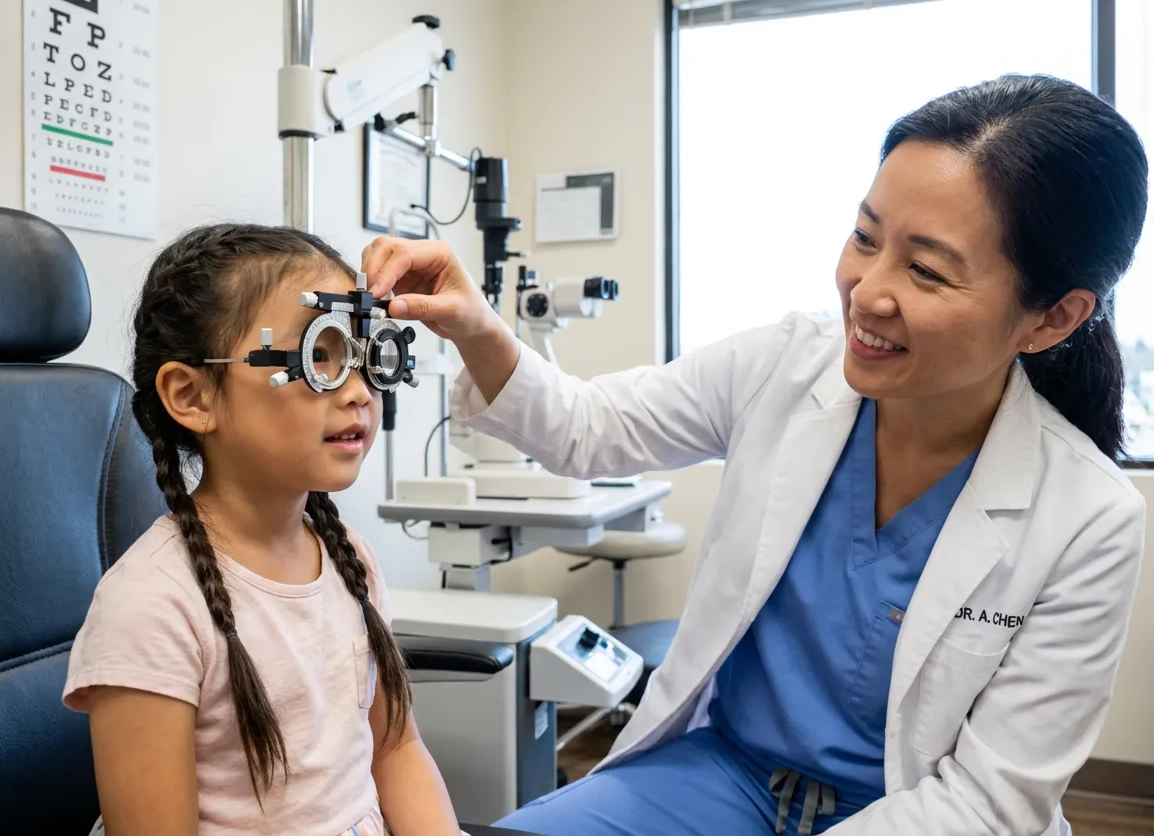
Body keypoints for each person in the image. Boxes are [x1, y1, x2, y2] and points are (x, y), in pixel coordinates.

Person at [360, 74, 1149, 836]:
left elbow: (983, 804)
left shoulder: (1089, 518)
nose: (867, 291)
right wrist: (475, 325)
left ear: (1050, 319)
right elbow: (589, 427)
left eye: (927, 270)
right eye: (865, 237)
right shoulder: (784, 362)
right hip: (721, 778)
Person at [62, 225, 461, 836]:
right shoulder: (151, 606)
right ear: (192, 396)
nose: (358, 391)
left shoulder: (347, 558)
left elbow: (396, 751)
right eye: (319, 356)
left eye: (363, 354)